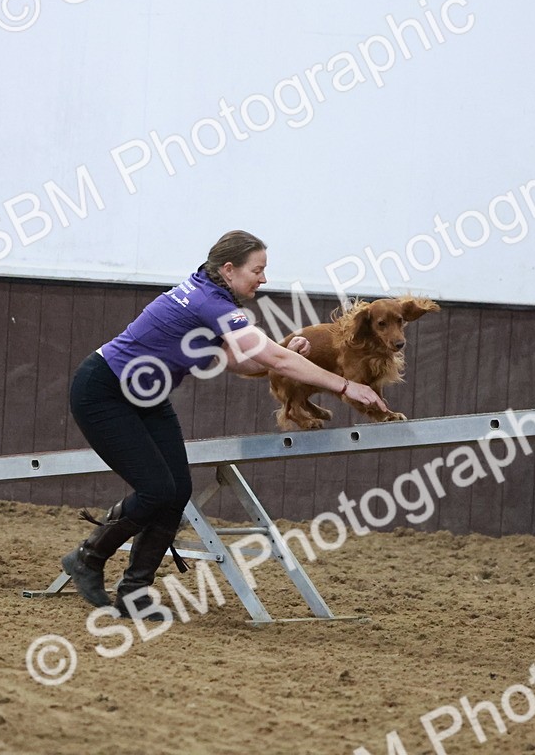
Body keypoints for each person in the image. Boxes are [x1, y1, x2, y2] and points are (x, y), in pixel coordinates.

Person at [61, 230, 387, 616]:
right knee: (156, 490)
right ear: (229, 269)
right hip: (104, 391)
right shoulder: (208, 302)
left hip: (144, 398)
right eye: (258, 270)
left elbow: (240, 362)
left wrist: (279, 351)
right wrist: (346, 385)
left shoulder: (212, 295)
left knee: (176, 489)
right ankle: (88, 556)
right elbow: (274, 363)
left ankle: (134, 592)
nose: (263, 279)